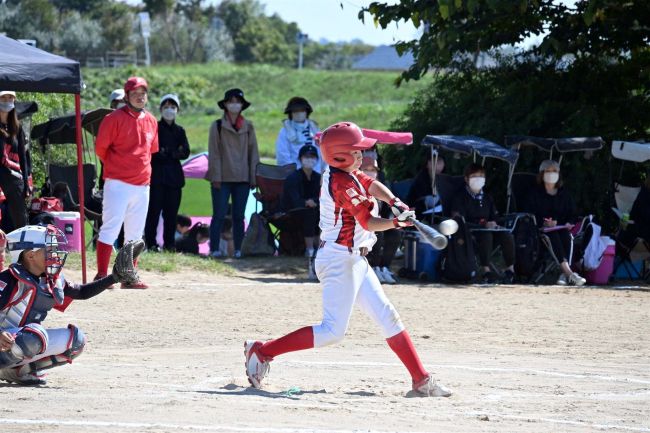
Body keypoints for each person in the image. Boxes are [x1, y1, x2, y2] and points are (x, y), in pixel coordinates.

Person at [243, 122, 452, 397]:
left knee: (388, 317)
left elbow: (371, 182)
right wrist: (395, 224)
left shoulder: (348, 172)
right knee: (332, 332)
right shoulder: (340, 182)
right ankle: (262, 351)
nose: (363, 156)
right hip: (339, 260)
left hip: (354, 260)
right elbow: (367, 222)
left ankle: (420, 379)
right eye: (357, 151)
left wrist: (395, 202)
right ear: (340, 155)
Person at [0, 225, 142, 385]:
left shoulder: (50, 279)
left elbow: (81, 292)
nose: (55, 254)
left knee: (76, 341)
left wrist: (114, 278)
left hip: (18, 341)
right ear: (30, 255)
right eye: (49, 249)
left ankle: (15, 371)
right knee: (35, 335)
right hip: (5, 339)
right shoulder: (8, 280)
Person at [94, 76, 159, 289]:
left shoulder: (151, 120)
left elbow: (151, 151)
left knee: (135, 234)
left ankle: (128, 277)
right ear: (127, 96)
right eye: (135, 94)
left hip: (142, 184)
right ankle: (103, 275)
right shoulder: (113, 119)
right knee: (111, 228)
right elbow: (100, 149)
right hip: (118, 183)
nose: (140, 97)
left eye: (143, 94)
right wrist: (117, 167)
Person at [205, 88, 259, 259]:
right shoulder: (217, 125)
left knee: (238, 216)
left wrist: (253, 177)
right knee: (219, 215)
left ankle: (238, 249)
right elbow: (214, 153)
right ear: (225, 105)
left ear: (242, 105)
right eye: (231, 101)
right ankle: (214, 249)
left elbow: (254, 153)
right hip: (222, 178)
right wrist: (216, 177)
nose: (234, 105)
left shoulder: (249, 126)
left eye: (238, 101)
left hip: (243, 177)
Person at [523, 160, 586, 286]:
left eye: (555, 171)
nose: (551, 174)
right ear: (542, 174)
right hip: (541, 231)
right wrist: (544, 222)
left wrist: (568, 222)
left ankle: (563, 274)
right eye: (548, 171)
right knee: (553, 236)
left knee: (566, 236)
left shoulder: (564, 195)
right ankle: (569, 273)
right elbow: (530, 213)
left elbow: (572, 214)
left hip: (561, 228)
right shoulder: (534, 194)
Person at [450, 163, 516, 284]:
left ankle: (510, 270)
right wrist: (483, 224)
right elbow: (461, 219)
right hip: (471, 234)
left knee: (507, 235)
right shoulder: (459, 197)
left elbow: (495, 216)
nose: (478, 179)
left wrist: (494, 223)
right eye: (475, 176)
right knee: (486, 236)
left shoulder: (487, 198)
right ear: (466, 179)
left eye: (481, 176)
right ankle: (486, 270)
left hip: (489, 230)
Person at [144, 94, 190, 252]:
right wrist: (172, 152)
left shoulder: (180, 130)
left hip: (174, 179)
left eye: (173, 107)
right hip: (156, 178)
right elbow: (154, 151)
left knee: (171, 215)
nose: (169, 110)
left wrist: (168, 152)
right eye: (166, 107)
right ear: (161, 109)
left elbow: (185, 151)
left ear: (177, 110)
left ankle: (170, 244)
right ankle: (151, 243)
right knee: (153, 213)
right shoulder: (154, 127)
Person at [280, 144, 322, 279]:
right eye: (306, 156)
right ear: (300, 159)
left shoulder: (318, 177)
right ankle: (310, 250)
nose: (309, 159)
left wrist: (314, 201)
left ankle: (320, 250)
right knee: (309, 214)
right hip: (294, 213)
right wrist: (306, 202)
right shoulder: (293, 178)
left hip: (315, 211)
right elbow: (293, 199)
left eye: (312, 157)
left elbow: (323, 196)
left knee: (321, 213)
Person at [361, 155, 401, 284]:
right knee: (379, 232)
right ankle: (375, 267)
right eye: (366, 169)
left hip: (376, 223)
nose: (370, 172)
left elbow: (386, 211)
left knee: (395, 232)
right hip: (362, 227)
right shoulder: (355, 187)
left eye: (373, 169)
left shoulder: (381, 188)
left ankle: (384, 267)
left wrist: (396, 216)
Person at [0, 90, 31, 231]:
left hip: (13, 174)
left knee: (20, 215)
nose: (7, 101)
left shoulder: (17, 128)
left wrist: (26, 181)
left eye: (10, 98)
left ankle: (23, 248)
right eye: (3, 98)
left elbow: (23, 157)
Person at [275, 97, 322, 172]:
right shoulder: (284, 131)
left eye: (302, 110)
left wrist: (320, 172)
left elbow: (321, 152)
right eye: (296, 111)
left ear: (307, 112)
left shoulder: (315, 129)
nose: (299, 113)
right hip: (295, 174)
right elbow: (282, 156)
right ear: (291, 113)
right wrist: (295, 174)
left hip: (316, 173)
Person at [407, 154, 445, 220]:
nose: (438, 164)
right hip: (419, 214)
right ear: (427, 164)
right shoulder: (421, 179)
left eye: (440, 162)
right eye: (436, 161)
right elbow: (427, 201)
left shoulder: (442, 178)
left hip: (436, 213)